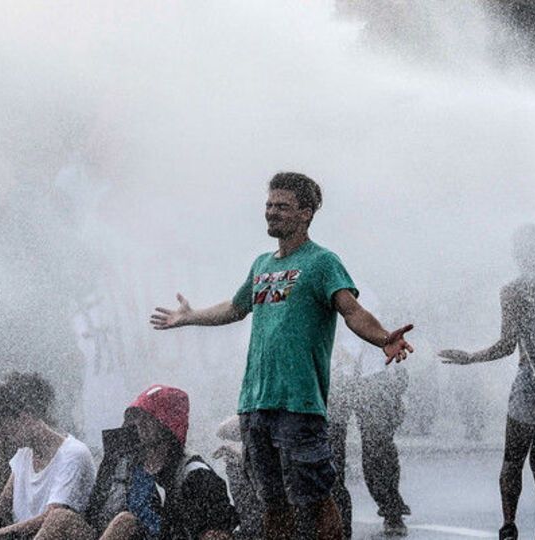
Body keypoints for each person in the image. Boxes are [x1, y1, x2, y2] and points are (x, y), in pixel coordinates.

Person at [151, 172, 415, 539]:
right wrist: (190, 316)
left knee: (316, 500)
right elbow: (235, 307)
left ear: (306, 214)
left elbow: (351, 310)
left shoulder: (322, 262)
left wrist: (383, 337)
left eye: (282, 206)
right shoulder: (262, 264)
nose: (271, 213)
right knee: (271, 503)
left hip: (299, 405)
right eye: (269, 205)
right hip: (256, 403)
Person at [438, 224, 535, 540]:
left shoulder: (517, 290)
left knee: (519, 459)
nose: (524, 256)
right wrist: (470, 358)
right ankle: (534, 524)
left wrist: (471, 358)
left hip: (532, 383)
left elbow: (507, 345)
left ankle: (511, 525)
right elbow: (509, 344)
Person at [36, 384, 237, 540]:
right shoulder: (119, 461)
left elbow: (218, 532)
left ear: (167, 424)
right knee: (59, 518)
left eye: (146, 418)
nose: (137, 425)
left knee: (125, 522)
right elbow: (94, 513)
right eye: (134, 417)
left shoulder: (195, 475)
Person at [0, 372, 96, 540]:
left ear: (25, 418)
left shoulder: (73, 454)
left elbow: (52, 519)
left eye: (6, 430)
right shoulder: (24, 454)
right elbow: (2, 511)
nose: (4, 437)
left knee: (57, 518)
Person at [329, 288, 410, 538]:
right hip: (335, 377)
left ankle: (390, 508)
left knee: (378, 447)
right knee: (330, 450)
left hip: (373, 376)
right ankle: (333, 512)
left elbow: (362, 320)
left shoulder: (365, 287)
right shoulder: (322, 278)